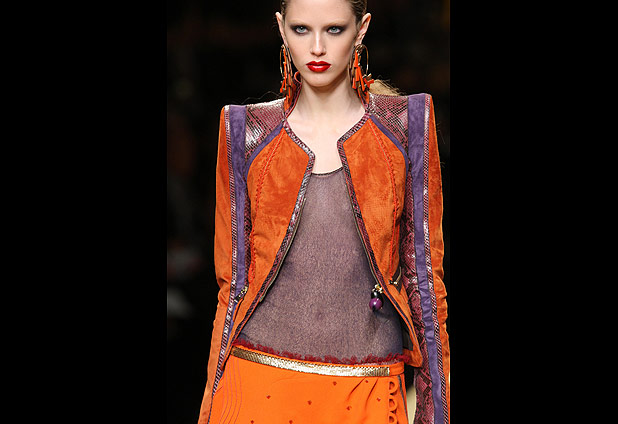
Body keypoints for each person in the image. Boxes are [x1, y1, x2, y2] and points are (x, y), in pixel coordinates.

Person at [197, 0, 449, 422]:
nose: (317, 47)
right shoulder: (245, 132)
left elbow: (425, 281)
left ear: (361, 28)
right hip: (257, 385)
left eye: (334, 29)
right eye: (301, 29)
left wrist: (434, 413)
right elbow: (232, 285)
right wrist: (208, 409)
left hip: (368, 388)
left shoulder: (406, 126)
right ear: (281, 28)